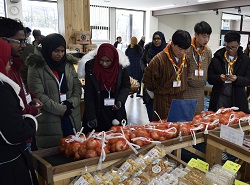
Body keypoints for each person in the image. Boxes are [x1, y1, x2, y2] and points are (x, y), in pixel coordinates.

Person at [26, 33, 82, 148]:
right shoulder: (36, 67)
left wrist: (71, 103)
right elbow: (38, 95)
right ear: (48, 49)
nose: (60, 54)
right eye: (56, 51)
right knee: (54, 155)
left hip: (70, 115)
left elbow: (77, 86)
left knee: (73, 149)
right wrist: (61, 109)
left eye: (62, 51)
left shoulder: (68, 64)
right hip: (49, 118)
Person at [0, 38, 39, 185]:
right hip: (8, 164)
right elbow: (15, 132)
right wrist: (30, 120)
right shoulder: (2, 90)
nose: (10, 63)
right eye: (7, 59)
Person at [0, 17, 42, 151]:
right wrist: (34, 110)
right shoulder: (5, 73)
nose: (24, 45)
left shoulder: (15, 64)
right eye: (20, 41)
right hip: (17, 137)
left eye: (25, 41)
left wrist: (32, 96)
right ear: (4, 40)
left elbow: (22, 90)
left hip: (24, 134)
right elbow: (16, 106)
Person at [78, 43, 130, 134]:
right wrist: (91, 116)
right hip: (97, 108)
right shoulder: (91, 66)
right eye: (101, 60)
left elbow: (125, 86)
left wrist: (120, 101)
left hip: (115, 109)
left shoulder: (121, 67)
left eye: (108, 61)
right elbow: (89, 93)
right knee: (95, 140)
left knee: (115, 139)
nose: (104, 64)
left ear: (113, 60)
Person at [142, 30, 191, 121]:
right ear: (172, 44)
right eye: (180, 49)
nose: (182, 52)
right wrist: (156, 94)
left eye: (185, 49)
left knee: (179, 129)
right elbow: (148, 81)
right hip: (163, 101)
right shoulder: (158, 60)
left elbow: (187, 75)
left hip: (180, 99)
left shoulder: (186, 59)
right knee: (163, 130)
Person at [208, 31, 250, 113]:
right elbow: (209, 78)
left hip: (237, 97)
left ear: (239, 44)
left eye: (233, 47)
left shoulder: (245, 60)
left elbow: (248, 80)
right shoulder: (217, 58)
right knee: (219, 121)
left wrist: (237, 79)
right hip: (220, 96)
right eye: (228, 47)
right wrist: (219, 78)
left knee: (235, 123)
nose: (230, 50)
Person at [183, 21, 212, 114]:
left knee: (198, 117)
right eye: (204, 36)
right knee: (185, 117)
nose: (206, 39)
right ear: (196, 34)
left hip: (200, 90)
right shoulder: (186, 49)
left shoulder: (207, 51)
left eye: (208, 36)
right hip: (186, 90)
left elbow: (209, 68)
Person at [140, 31, 167, 121]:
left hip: (163, 81)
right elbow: (142, 60)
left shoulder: (167, 50)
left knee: (162, 111)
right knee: (150, 107)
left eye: (158, 38)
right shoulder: (148, 48)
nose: (156, 41)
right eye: (154, 39)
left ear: (162, 39)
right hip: (149, 80)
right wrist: (145, 69)